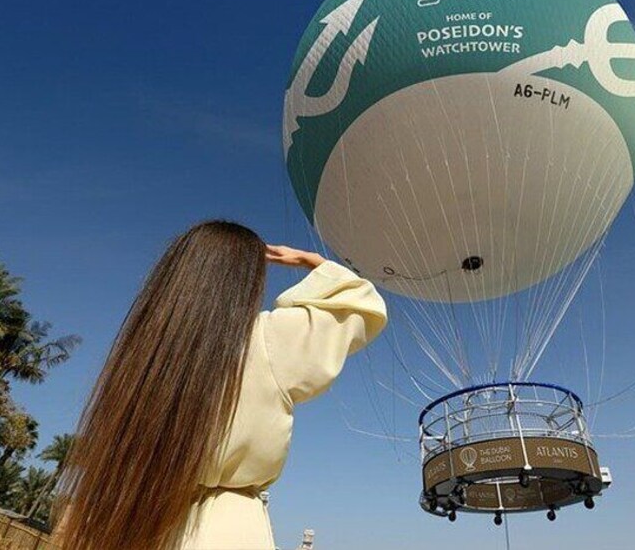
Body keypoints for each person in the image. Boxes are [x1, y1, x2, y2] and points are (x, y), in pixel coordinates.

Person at [50, 220, 388, 550]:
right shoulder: (269, 339)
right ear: (246, 280)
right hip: (226, 528)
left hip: (140, 515)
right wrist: (313, 262)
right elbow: (361, 302)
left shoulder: (144, 355)